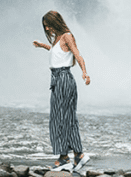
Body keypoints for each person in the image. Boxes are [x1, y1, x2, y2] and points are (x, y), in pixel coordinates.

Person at [32, 10, 91, 172]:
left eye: (49, 26)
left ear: (56, 23)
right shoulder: (58, 39)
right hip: (57, 79)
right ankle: (78, 155)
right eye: (46, 27)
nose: (48, 29)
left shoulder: (67, 36)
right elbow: (57, 54)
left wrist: (84, 72)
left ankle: (64, 158)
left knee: (59, 119)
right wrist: (42, 46)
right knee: (65, 117)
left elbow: (77, 55)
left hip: (64, 78)